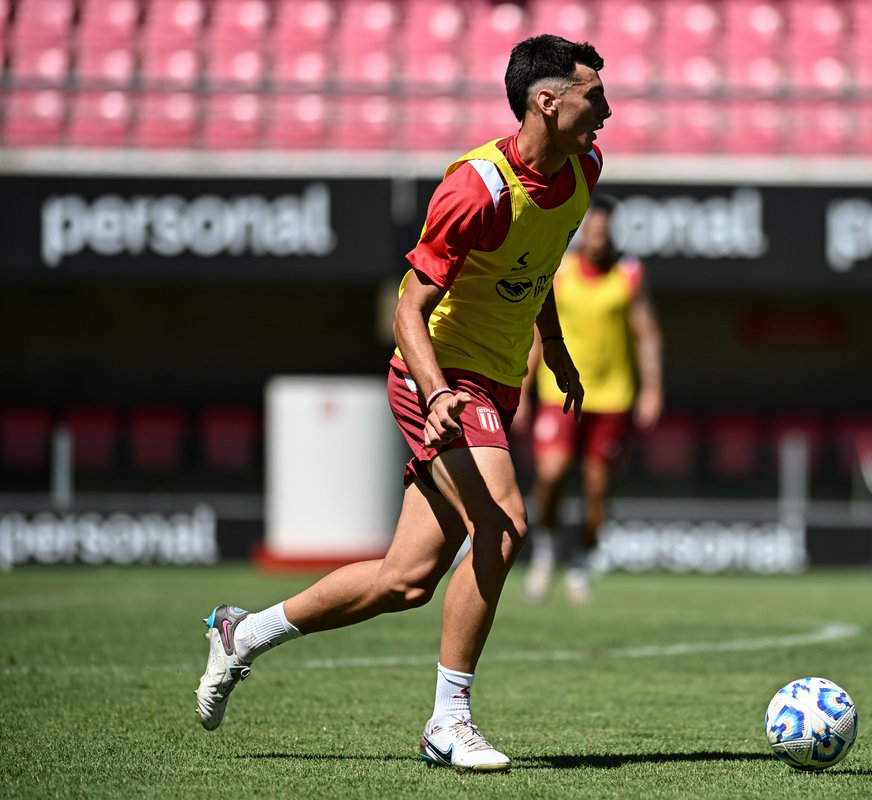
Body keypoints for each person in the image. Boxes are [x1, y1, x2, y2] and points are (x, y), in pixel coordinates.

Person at [194, 34, 611, 773]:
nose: (606, 109)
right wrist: (439, 390)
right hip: (442, 377)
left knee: (408, 580)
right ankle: (448, 723)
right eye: (593, 95)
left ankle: (242, 634)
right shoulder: (475, 188)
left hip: (497, 382)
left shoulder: (584, 170)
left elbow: (537, 269)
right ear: (547, 101)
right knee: (506, 524)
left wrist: (560, 350)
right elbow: (407, 312)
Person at [518, 195, 663, 604]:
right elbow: (536, 333)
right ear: (583, 228)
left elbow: (647, 333)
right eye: (592, 227)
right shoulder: (560, 269)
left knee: (598, 488)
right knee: (550, 474)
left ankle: (582, 561)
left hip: (613, 397)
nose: (597, 234)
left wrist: (651, 387)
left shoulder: (629, 274)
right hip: (558, 391)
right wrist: (523, 388)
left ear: (612, 230)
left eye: (604, 228)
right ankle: (546, 550)